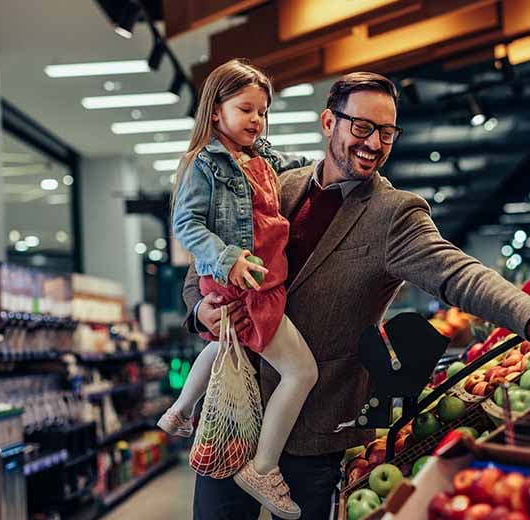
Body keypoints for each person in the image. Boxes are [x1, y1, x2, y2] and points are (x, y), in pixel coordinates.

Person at [183, 72, 530, 520]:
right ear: (329, 122)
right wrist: (200, 310)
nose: (374, 144)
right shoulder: (272, 184)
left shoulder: (394, 214)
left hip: (316, 427)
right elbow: (203, 263)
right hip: (233, 410)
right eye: (362, 127)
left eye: (387, 132)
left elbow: (459, 273)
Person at [157, 59, 316, 520]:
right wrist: (229, 259)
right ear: (215, 110)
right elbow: (186, 224)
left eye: (262, 111)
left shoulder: (259, 158)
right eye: (246, 109)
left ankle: (180, 409)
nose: (256, 119)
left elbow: (294, 166)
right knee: (301, 372)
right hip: (246, 284)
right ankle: (263, 468)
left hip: (255, 283)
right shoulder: (204, 163)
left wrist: (328, 164)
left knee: (225, 342)